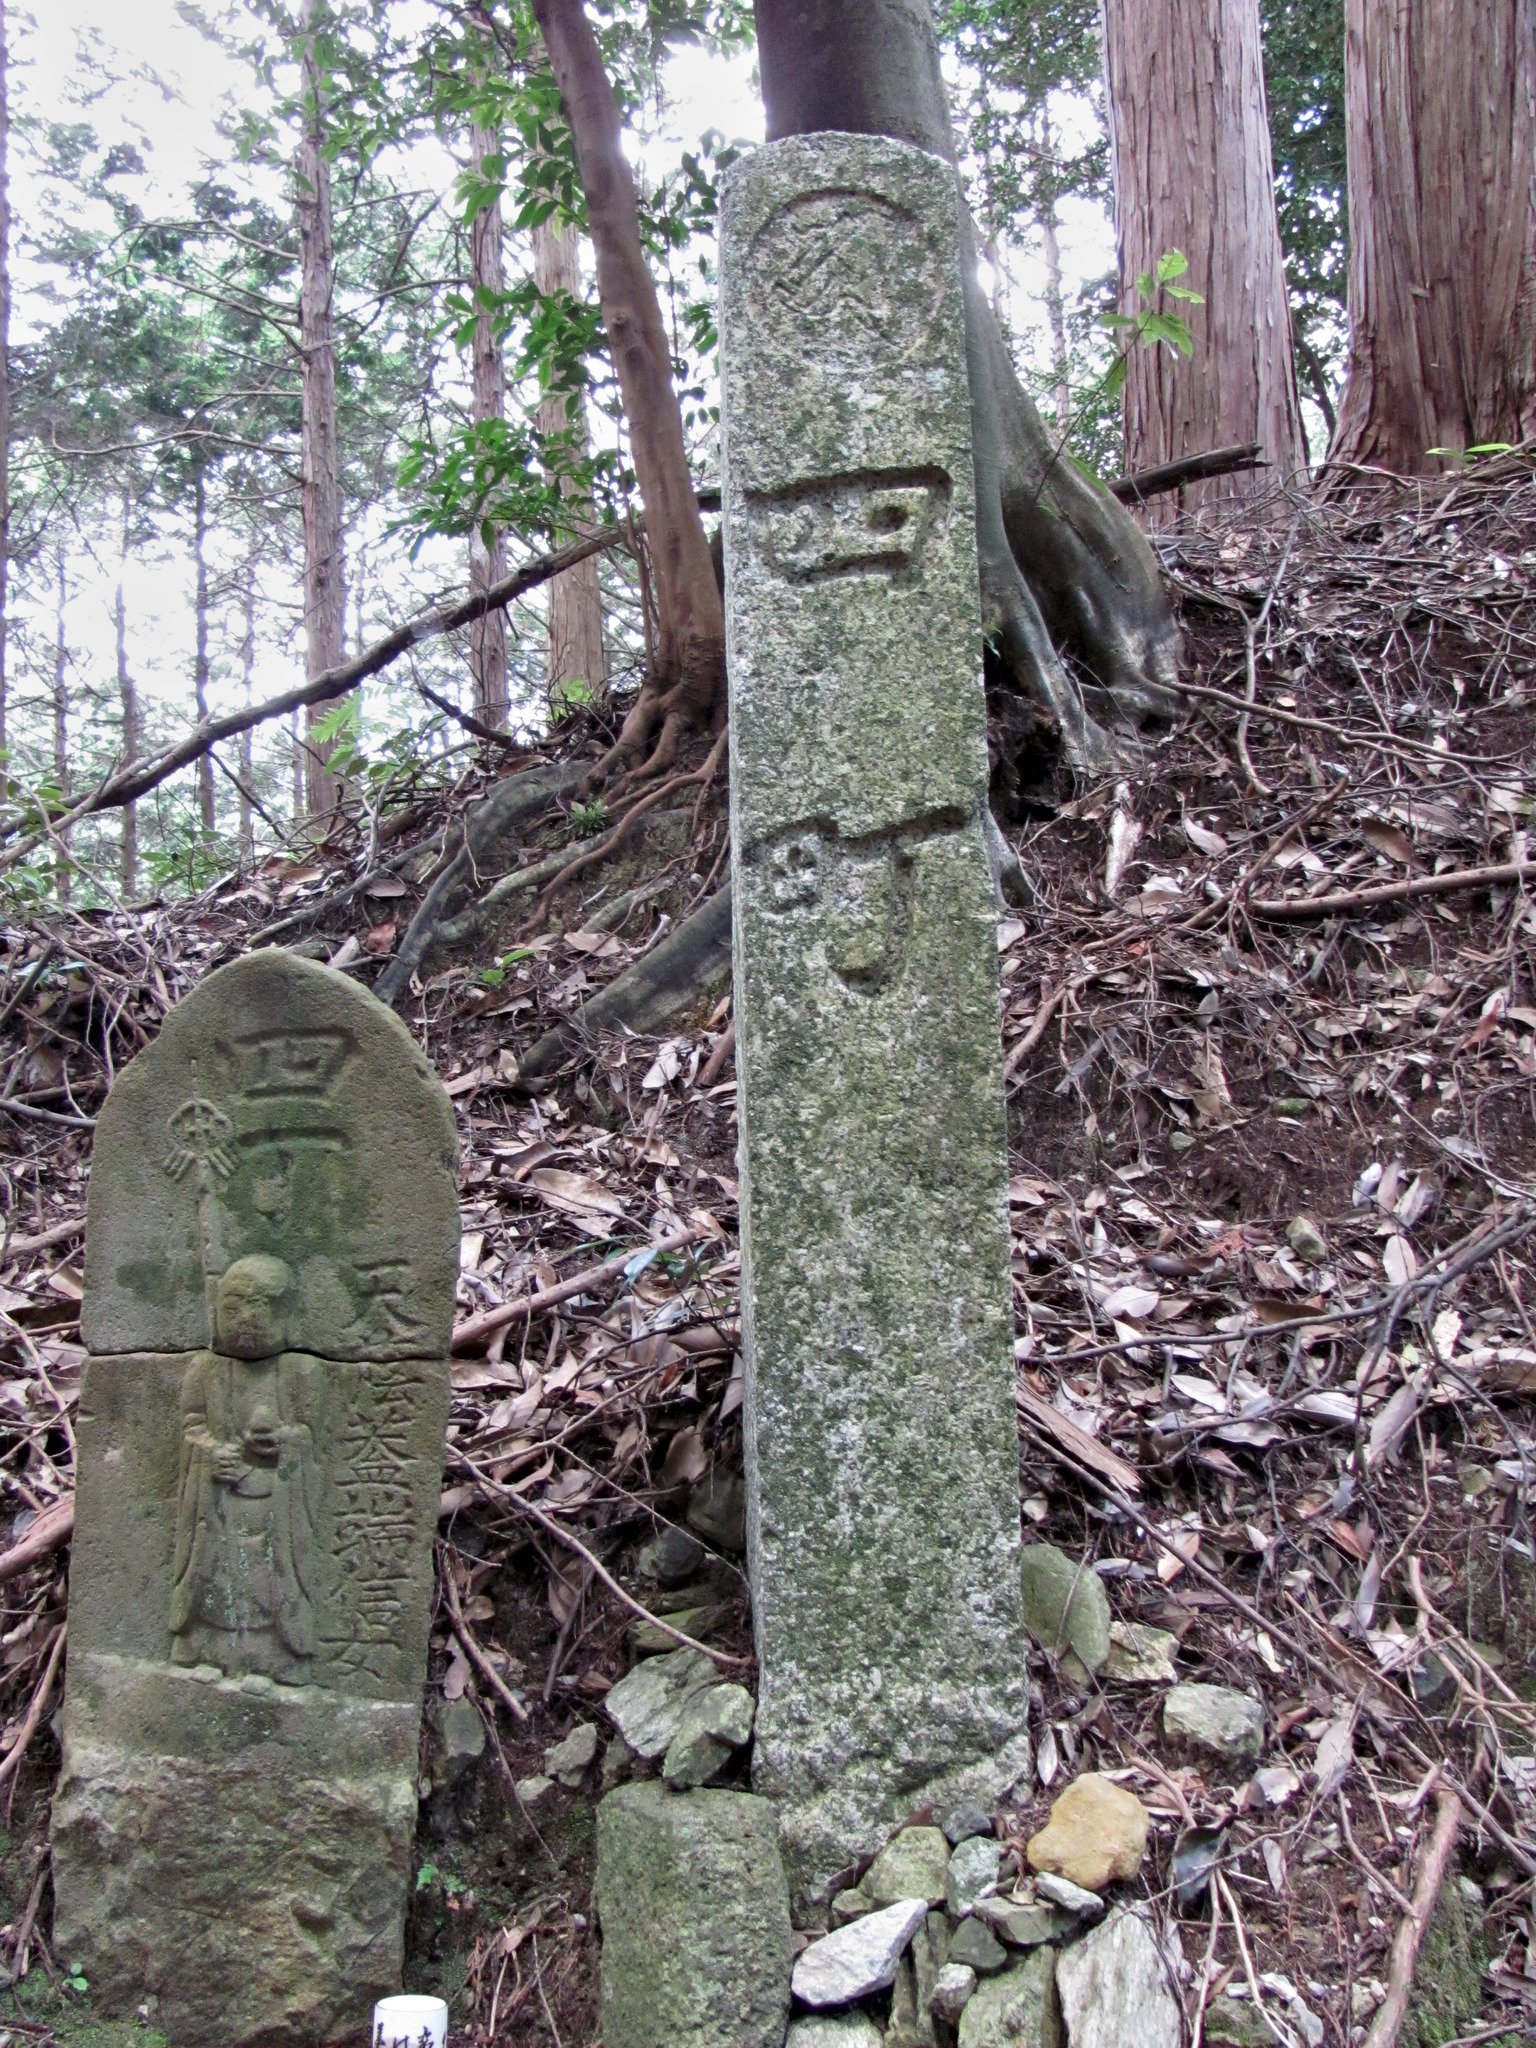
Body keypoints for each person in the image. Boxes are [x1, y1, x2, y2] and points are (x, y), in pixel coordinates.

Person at [169, 1255, 319, 1682]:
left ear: (287, 1316)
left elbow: (309, 1433)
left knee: (267, 1584)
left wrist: (285, 1443)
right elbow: (191, 1427)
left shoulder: (300, 1370)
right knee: (216, 1579)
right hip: (217, 1505)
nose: (245, 1320)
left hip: (275, 1505)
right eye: (232, 1308)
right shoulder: (205, 1370)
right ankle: (209, 1654)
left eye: (259, 1307)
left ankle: (269, 1663)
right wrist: (206, 1454)